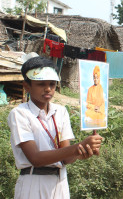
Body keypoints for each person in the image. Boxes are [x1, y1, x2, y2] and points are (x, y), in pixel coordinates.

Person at [7, 56, 103, 199]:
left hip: (60, 182)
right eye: (41, 84)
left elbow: (66, 160)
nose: (48, 89)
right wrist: (77, 147)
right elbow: (35, 158)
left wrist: (81, 152)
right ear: (27, 86)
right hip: (34, 182)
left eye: (52, 84)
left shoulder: (61, 111)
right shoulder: (20, 114)